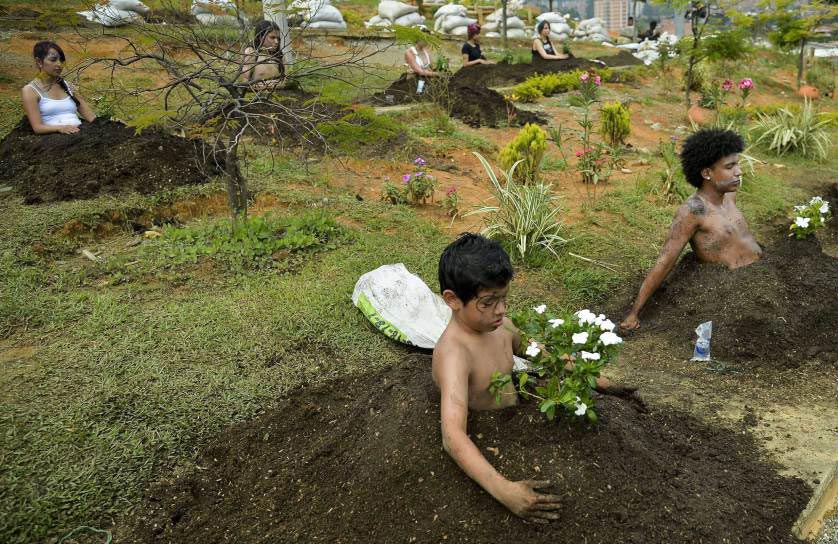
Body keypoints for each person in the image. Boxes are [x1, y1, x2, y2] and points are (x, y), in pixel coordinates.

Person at [433, 233, 633, 522]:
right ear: (452, 300)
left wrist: (598, 380)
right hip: (491, 438)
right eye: (488, 302)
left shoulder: (502, 328)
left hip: (519, 423)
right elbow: (452, 436)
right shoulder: (455, 354)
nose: (501, 310)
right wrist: (505, 491)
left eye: (504, 298)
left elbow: (543, 355)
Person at [620, 129, 763, 330]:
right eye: (730, 166)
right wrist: (634, 313)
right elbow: (665, 260)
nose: (739, 171)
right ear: (707, 173)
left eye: (737, 164)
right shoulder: (693, 211)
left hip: (763, 276)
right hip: (735, 292)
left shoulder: (729, 197)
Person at [21, 41, 95, 135]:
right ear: (39, 62)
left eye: (61, 61)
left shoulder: (69, 87)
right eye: (53, 60)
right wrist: (60, 128)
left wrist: (113, 122)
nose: (59, 64)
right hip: (53, 140)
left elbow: (91, 117)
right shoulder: (30, 91)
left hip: (79, 134)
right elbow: (38, 127)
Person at [243, 20, 286, 90]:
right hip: (256, 99)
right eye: (272, 37)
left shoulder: (279, 56)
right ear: (260, 36)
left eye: (278, 38)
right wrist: (272, 84)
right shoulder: (250, 52)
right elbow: (245, 84)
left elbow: (285, 81)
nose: (276, 42)